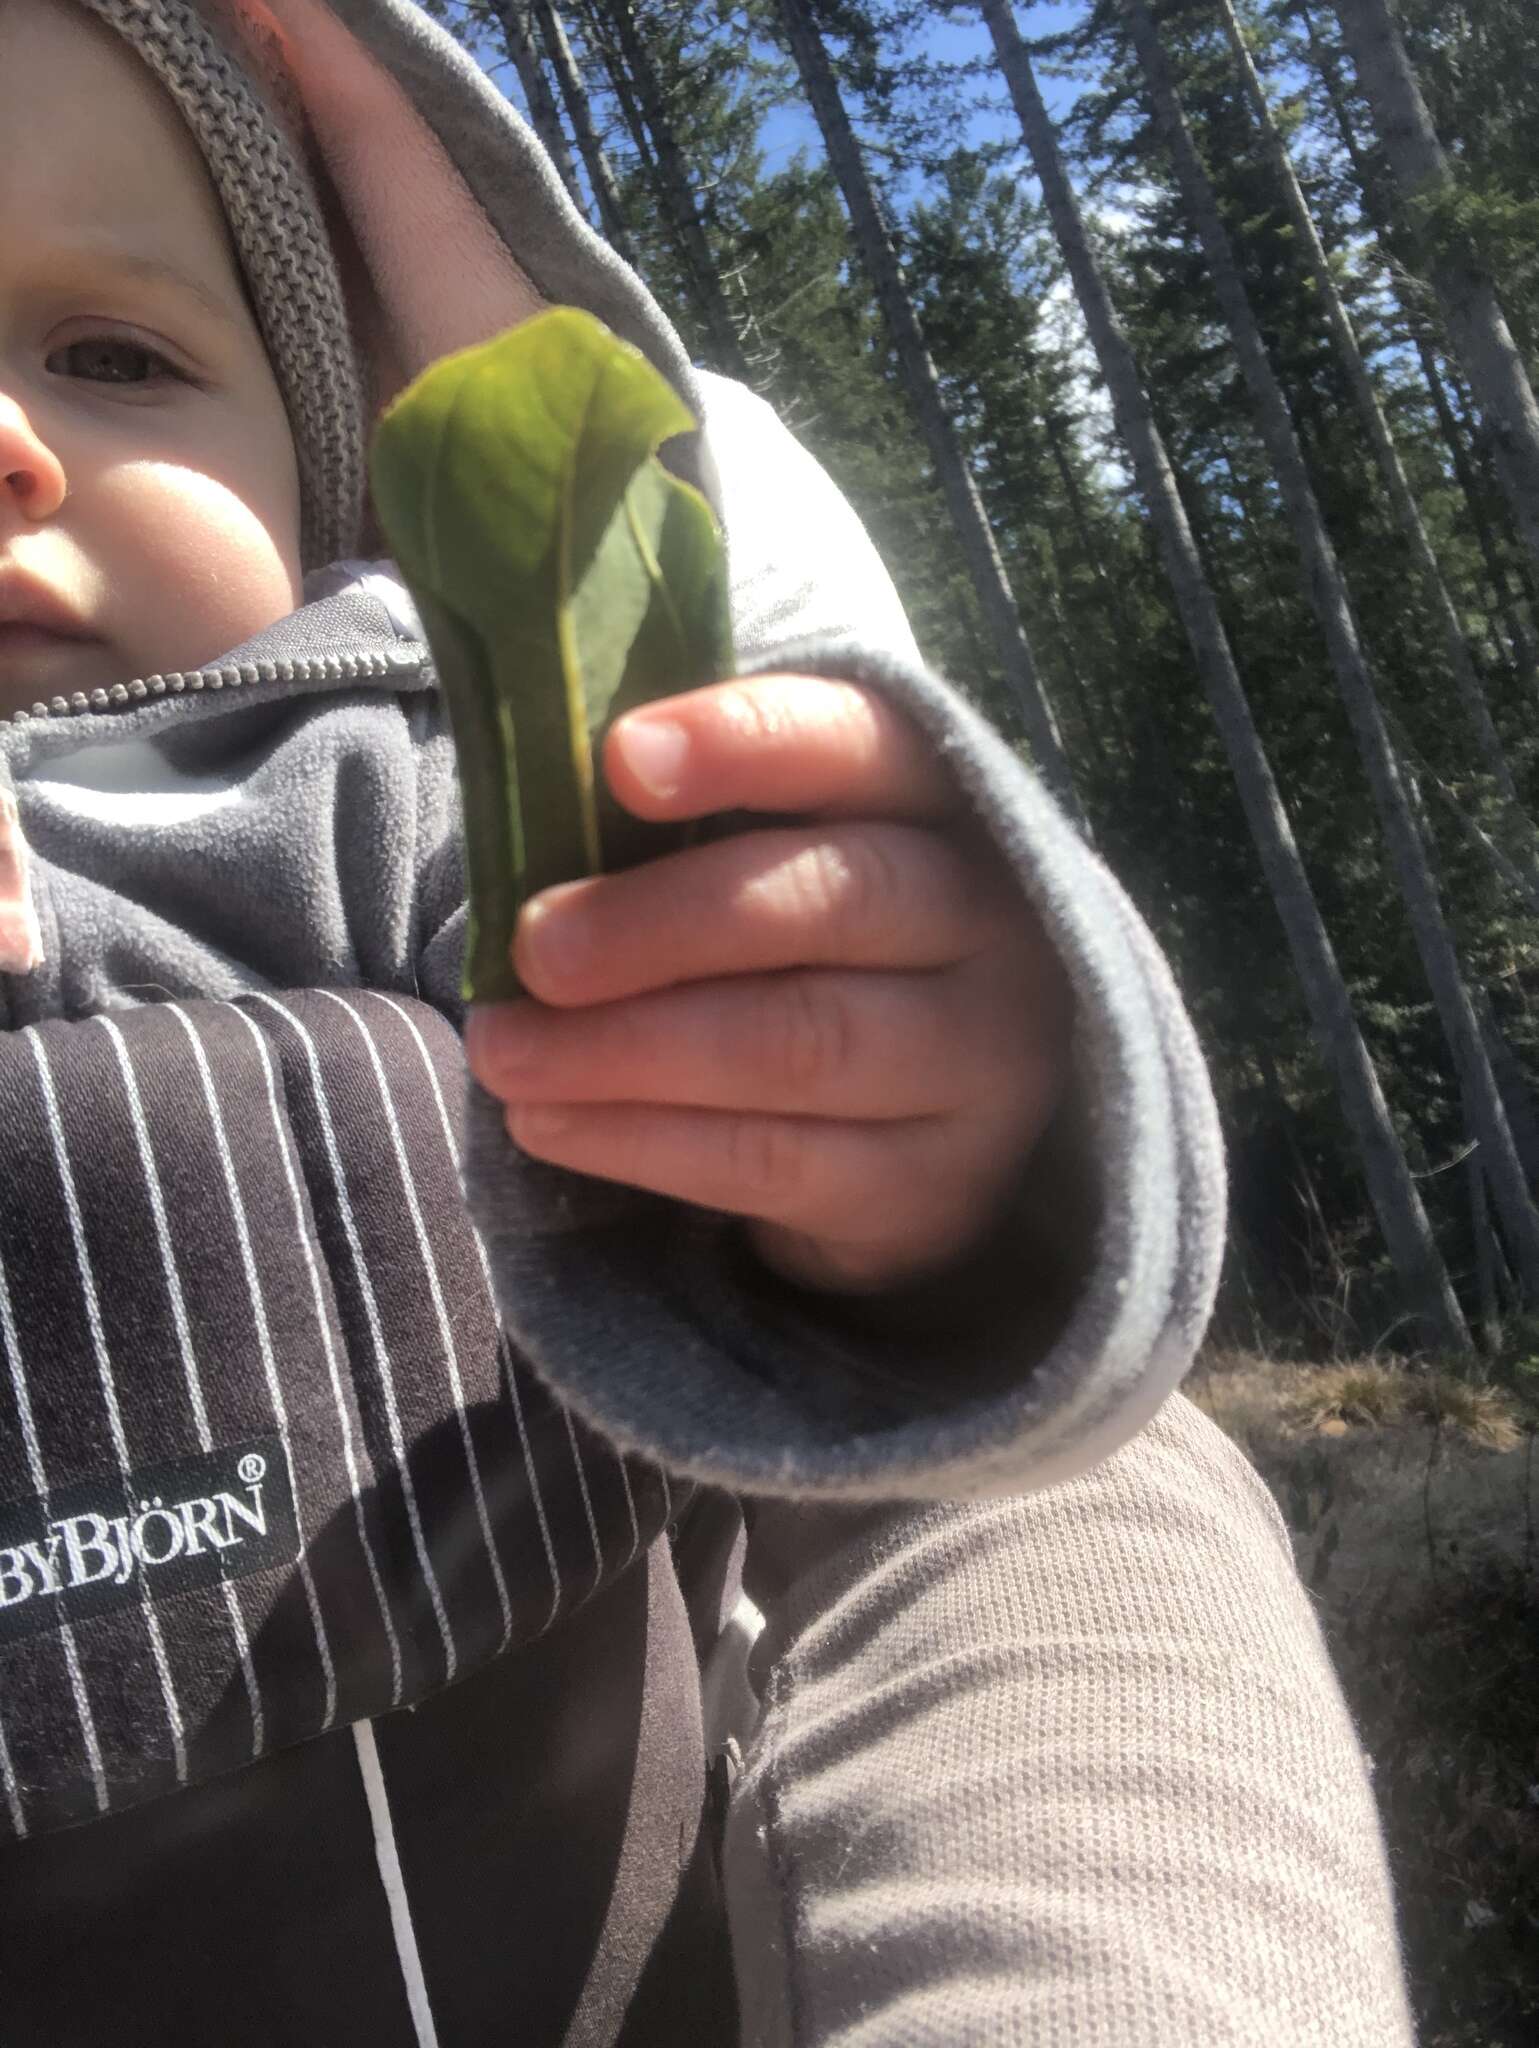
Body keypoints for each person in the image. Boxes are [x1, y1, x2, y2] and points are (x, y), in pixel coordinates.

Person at [0, 0, 1413, 2040]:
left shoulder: (388, 803)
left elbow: (859, 1304)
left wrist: (922, 1166)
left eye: (115, 356)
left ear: (324, 484)